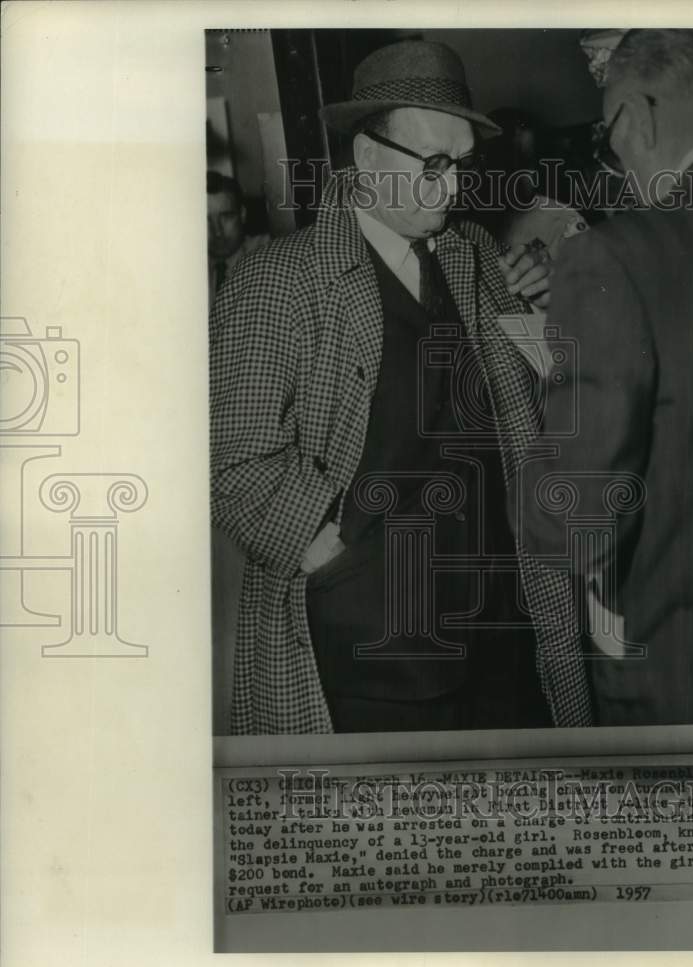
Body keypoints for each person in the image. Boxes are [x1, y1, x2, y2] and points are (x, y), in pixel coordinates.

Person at [211, 40, 593, 734]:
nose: (451, 190)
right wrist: (327, 552)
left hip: (501, 626)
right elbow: (229, 459)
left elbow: (525, 412)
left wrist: (539, 321)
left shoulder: (470, 252)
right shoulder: (278, 282)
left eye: (462, 167)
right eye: (434, 166)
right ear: (366, 157)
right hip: (372, 646)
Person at [514, 29, 693, 725]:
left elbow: (571, 523)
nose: (619, 173)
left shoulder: (623, 257)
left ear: (634, 120)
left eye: (610, 149)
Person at [477, 107, 588, 257]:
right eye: (506, 164)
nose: (527, 175)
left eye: (528, 164)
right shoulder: (468, 224)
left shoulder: (562, 221)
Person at [207, 171, 270, 310]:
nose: (217, 231)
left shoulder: (267, 252)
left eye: (226, 217)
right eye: (205, 220)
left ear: (242, 214)